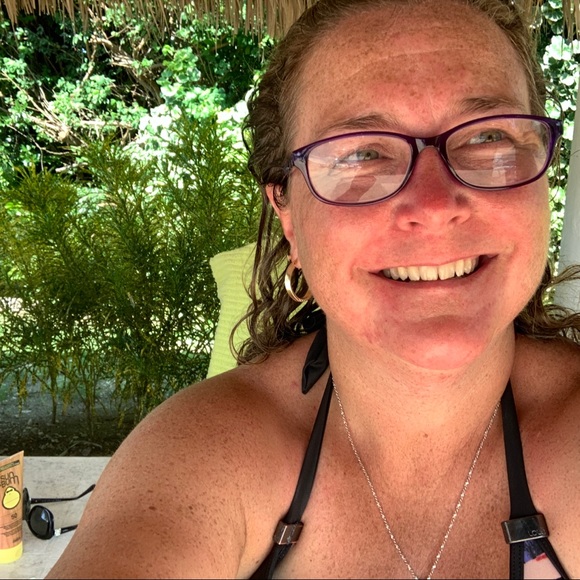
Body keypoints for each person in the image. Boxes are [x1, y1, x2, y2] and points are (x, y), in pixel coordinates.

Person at [48, 0, 580, 578]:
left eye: (488, 136)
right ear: (289, 217)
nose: (432, 207)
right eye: (361, 153)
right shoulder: (208, 454)